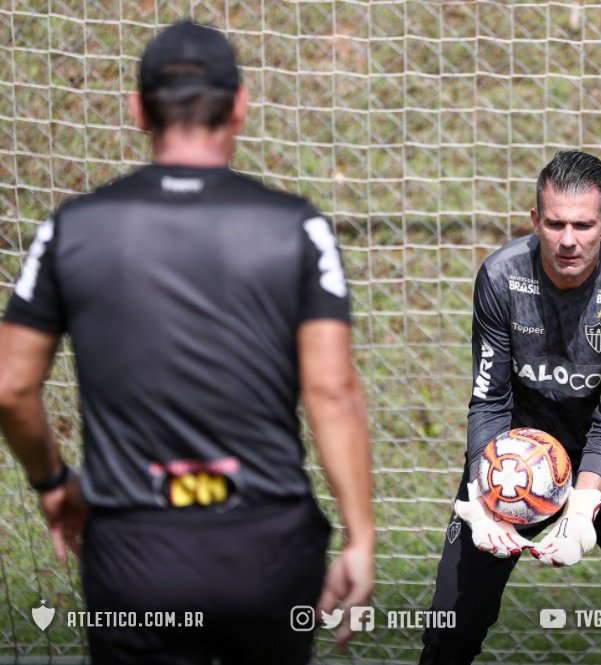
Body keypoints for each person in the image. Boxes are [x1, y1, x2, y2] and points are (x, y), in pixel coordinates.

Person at [0, 20, 374, 665]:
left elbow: (10, 387)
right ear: (241, 106)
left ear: (138, 109)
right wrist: (360, 537)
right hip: (267, 548)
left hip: (135, 553)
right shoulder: (297, 227)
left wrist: (54, 482)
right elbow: (333, 390)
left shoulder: (71, 228)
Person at [421, 151, 601, 664]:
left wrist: (583, 505)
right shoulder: (500, 277)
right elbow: (489, 399)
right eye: (555, 223)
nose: (568, 240)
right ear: (536, 221)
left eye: (582, 224)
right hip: (515, 453)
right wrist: (480, 482)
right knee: (452, 623)